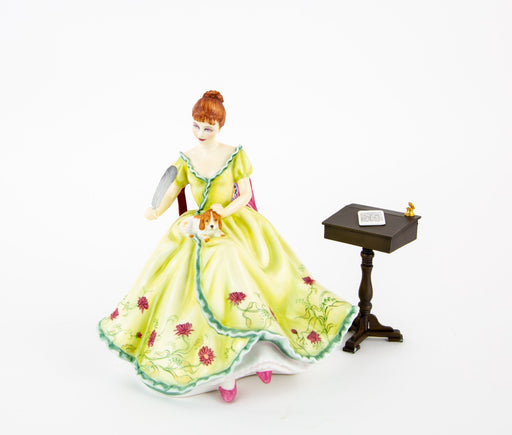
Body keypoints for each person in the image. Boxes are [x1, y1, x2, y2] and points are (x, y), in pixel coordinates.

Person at [98, 90, 355, 402]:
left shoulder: (234, 155)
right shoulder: (186, 159)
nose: (201, 132)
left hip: (231, 223)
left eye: (208, 127)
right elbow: (172, 189)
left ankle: (262, 351)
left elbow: (244, 195)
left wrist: (225, 210)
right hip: (197, 225)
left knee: (234, 262)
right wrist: (156, 210)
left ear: (220, 126)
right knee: (178, 277)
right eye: (196, 126)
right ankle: (211, 358)